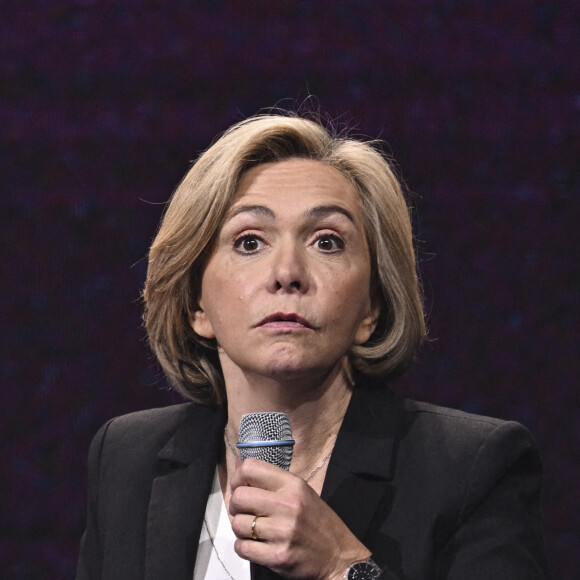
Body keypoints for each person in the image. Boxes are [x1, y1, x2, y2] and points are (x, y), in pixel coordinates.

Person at [76, 112, 550, 580]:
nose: (287, 273)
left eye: (327, 242)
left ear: (372, 306)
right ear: (196, 304)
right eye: (248, 242)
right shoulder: (126, 458)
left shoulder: (471, 467)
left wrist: (341, 567)